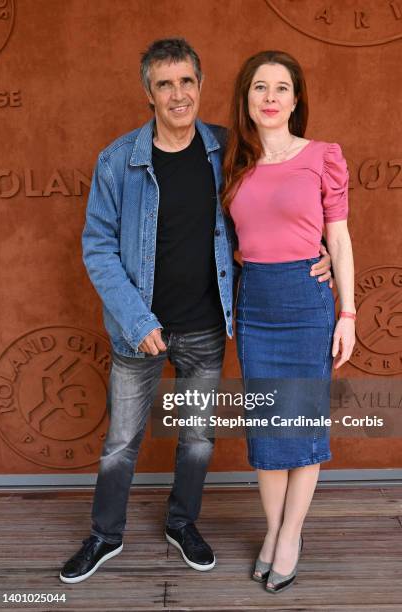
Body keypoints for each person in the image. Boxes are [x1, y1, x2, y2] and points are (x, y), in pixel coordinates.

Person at [59, 39, 332, 584]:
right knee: (120, 443)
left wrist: (316, 252)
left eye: (186, 81)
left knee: (198, 438)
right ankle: (105, 535)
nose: (178, 94)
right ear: (148, 93)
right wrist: (139, 322)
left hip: (208, 326)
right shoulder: (118, 161)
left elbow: (279, 209)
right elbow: (98, 247)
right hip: (141, 331)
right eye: (165, 84)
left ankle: (182, 524)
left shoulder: (230, 150)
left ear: (200, 85)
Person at [222, 50, 355, 594]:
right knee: (267, 427)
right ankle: (272, 530)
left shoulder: (323, 156)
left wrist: (348, 312)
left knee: (301, 424)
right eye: (260, 87)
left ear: (296, 100)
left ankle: (291, 536)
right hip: (255, 302)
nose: (270, 97)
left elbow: (340, 241)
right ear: (246, 100)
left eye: (281, 88)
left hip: (307, 300)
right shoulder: (231, 161)